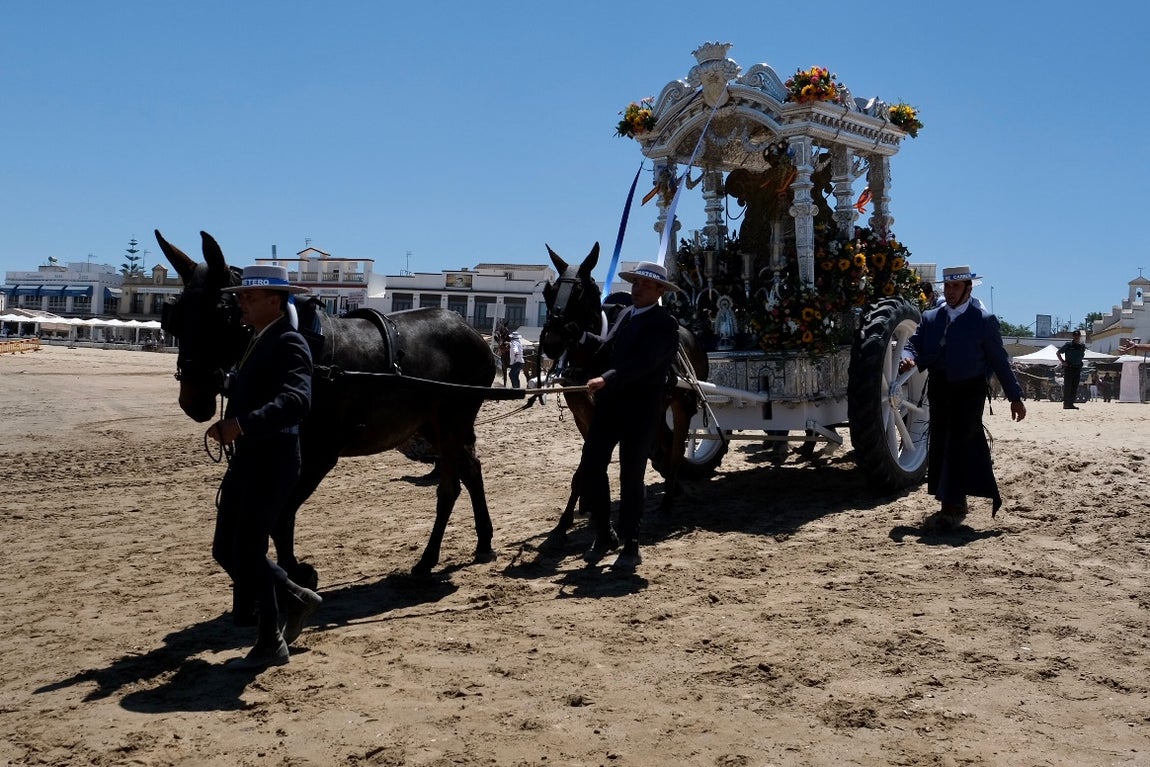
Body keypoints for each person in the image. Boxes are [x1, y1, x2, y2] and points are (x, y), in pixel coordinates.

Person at [207, 265, 323, 669]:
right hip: (250, 460)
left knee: (248, 550)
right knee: (227, 549)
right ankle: (294, 597)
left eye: (249, 297)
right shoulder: (257, 341)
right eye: (240, 296)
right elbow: (256, 388)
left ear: (275, 301)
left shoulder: (290, 342)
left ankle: (271, 639)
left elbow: (298, 400)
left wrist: (242, 424)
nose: (241, 302)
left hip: (273, 459)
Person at [565, 261, 682, 571]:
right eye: (635, 283)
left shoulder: (665, 324)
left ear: (659, 291)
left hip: (641, 411)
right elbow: (606, 348)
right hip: (609, 408)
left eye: (644, 284)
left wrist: (608, 378)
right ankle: (604, 533)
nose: (637, 288)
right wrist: (579, 338)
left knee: (631, 477)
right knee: (591, 468)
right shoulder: (626, 316)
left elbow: (645, 363)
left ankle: (631, 543)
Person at [899, 265, 1026, 532]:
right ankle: (953, 501)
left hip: (970, 391)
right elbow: (913, 343)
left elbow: (999, 361)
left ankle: (951, 506)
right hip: (940, 389)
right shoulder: (931, 317)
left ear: (968, 288)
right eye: (947, 286)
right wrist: (907, 357)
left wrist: (1015, 397)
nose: (951, 291)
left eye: (956, 286)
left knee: (959, 442)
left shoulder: (983, 320)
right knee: (942, 442)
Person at [1056, 330, 1087, 409]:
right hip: (1069, 368)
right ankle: (1066, 404)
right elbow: (1058, 353)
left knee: (1074, 387)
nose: (1076, 337)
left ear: (1080, 336)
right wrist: (1063, 362)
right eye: (1075, 336)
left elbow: (1082, 355)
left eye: (1078, 336)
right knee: (1068, 386)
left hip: (1077, 368)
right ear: (1073, 336)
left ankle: (1071, 404)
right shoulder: (1068, 345)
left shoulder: (1082, 346)